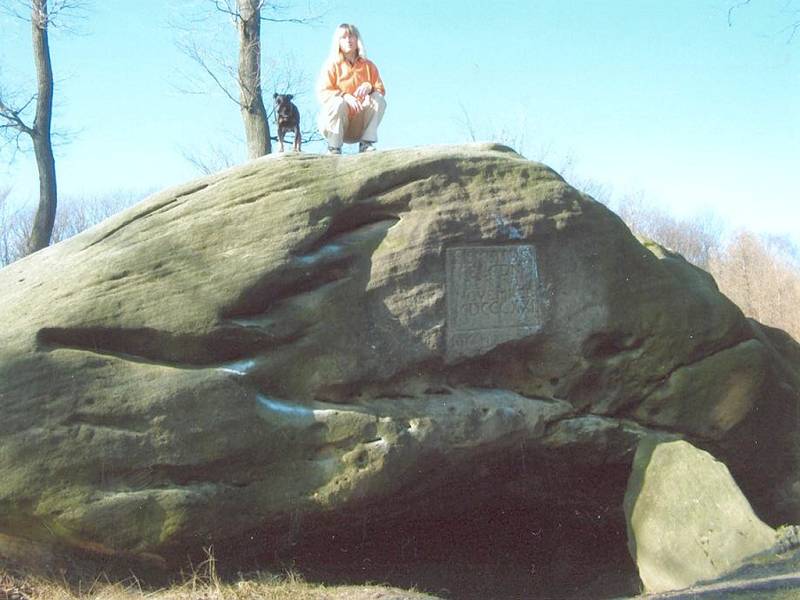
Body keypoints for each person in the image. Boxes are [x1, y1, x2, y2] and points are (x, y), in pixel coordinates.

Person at [317, 23, 386, 155]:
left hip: (357, 125)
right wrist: (344, 96)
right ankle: (334, 148)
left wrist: (370, 87)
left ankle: (366, 143)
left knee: (378, 98)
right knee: (338, 102)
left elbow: (381, 90)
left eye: (351, 36)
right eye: (344, 37)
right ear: (338, 42)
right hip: (334, 124)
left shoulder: (368, 66)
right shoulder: (331, 65)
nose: (348, 40)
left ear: (357, 39)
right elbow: (323, 93)